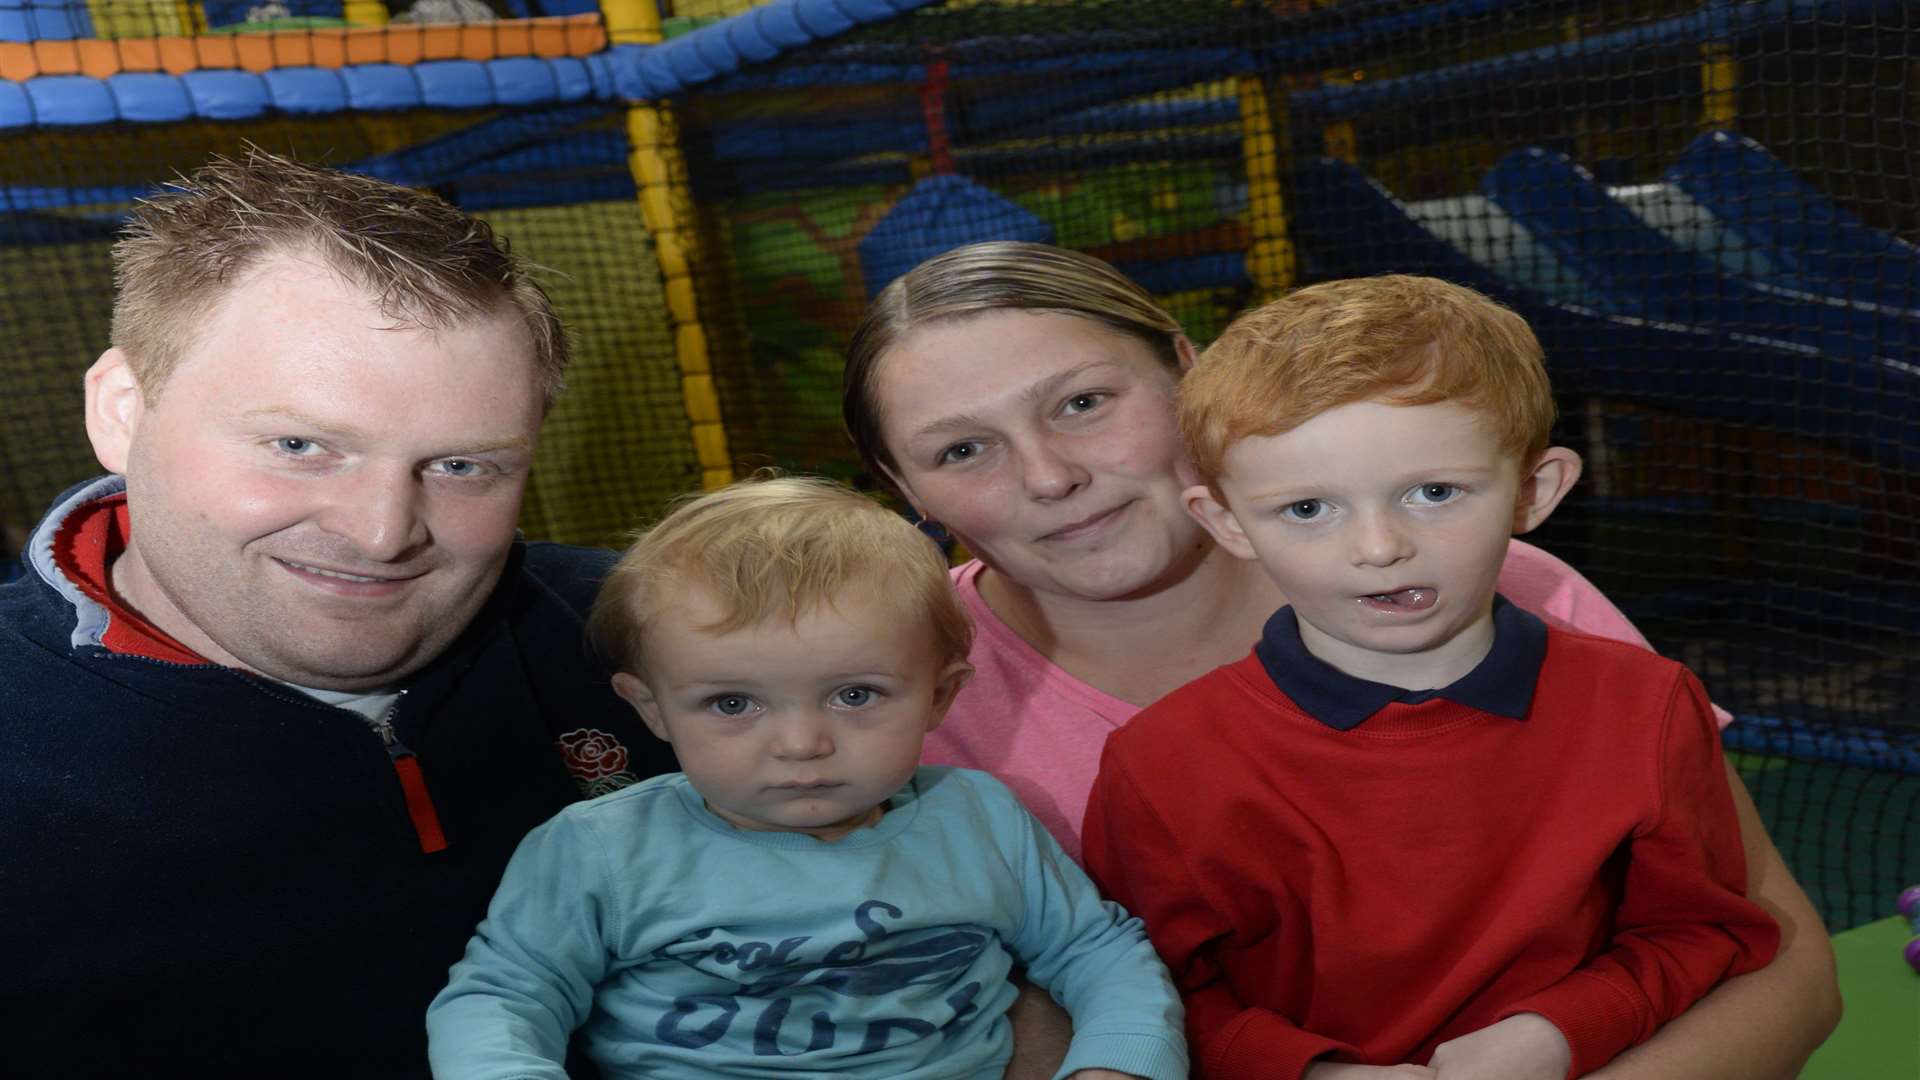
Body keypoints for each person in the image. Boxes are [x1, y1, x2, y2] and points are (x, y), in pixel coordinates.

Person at [841, 241, 1840, 1079]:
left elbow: (1776, 961)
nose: (1051, 477)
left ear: (1190, 374)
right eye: (961, 451)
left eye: (1084, 402)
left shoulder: (1511, 591)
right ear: (904, 488)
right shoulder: (882, 710)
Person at [0, 149, 675, 1076]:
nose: (382, 533)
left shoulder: (657, 634)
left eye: (462, 466)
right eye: (300, 444)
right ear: (123, 410)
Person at [1080, 275, 1781, 1078]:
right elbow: (1144, 993)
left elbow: (1701, 928)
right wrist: (1312, 1072)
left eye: (1434, 492)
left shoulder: (1644, 705)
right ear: (1229, 523)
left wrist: (1557, 1032)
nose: (1378, 547)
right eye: (1308, 509)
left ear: (1533, 491)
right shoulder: (1162, 765)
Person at [426, 475, 1188, 1080]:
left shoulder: (981, 819)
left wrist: (1117, 1062)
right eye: (732, 703)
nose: (801, 743)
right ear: (651, 709)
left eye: (855, 695)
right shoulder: (598, 851)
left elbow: (1098, 952)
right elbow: (502, 998)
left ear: (942, 696)